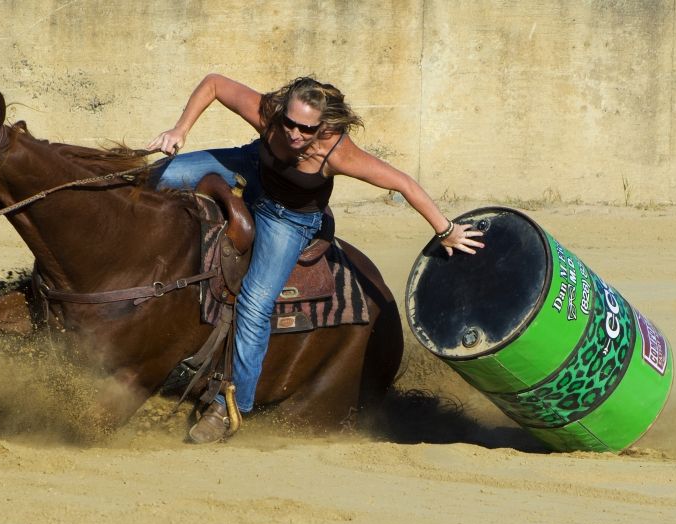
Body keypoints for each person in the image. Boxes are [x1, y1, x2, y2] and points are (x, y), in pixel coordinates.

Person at [147, 74, 484, 444]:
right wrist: (179, 130)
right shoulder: (269, 114)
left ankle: (233, 406)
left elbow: (401, 182)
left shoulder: (337, 151)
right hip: (249, 168)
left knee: (256, 303)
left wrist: (445, 229)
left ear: (322, 126)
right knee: (152, 179)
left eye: (305, 129)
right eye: (289, 123)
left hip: (288, 217)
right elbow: (213, 83)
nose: (294, 134)